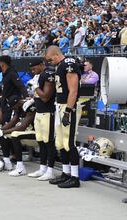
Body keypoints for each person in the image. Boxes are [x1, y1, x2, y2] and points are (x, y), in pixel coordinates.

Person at [45, 45, 82, 188]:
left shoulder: (69, 64)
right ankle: (66, 173)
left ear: (55, 55)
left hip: (68, 107)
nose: (49, 62)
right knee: (60, 142)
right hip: (60, 106)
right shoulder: (60, 65)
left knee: (69, 142)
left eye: (50, 59)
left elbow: (73, 91)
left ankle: (75, 177)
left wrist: (68, 111)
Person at [26, 59, 57, 181]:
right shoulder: (40, 75)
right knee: (41, 142)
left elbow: (45, 96)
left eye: (34, 69)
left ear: (41, 65)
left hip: (47, 112)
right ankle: (43, 168)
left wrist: (36, 87)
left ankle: (51, 170)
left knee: (49, 142)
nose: (33, 71)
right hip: (39, 112)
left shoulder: (48, 73)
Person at [0, 55, 28, 122]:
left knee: (7, 122)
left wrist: (26, 96)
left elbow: (20, 85)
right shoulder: (5, 74)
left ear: (2, 63)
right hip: (5, 103)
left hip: (12, 103)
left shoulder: (12, 73)